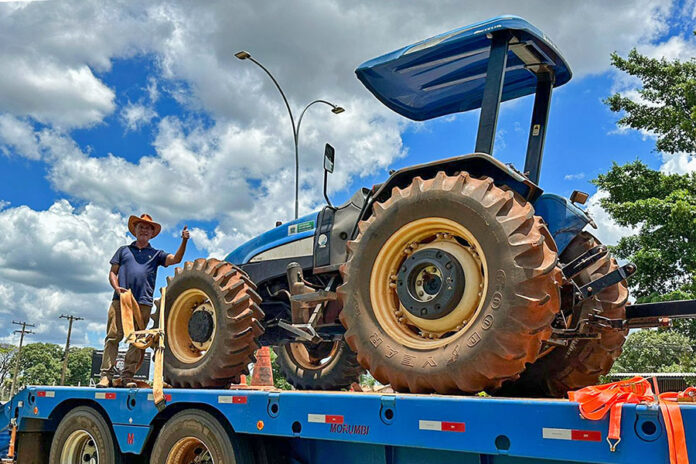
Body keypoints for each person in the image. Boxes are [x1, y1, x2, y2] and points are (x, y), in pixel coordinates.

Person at [97, 214, 189, 388]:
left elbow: (175, 260)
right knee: (113, 336)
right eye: (141, 227)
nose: (144, 230)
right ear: (135, 230)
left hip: (143, 303)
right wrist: (117, 288)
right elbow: (112, 272)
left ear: (152, 233)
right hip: (121, 299)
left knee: (137, 339)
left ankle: (127, 377)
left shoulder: (156, 254)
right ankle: (106, 376)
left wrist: (184, 242)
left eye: (148, 228)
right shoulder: (123, 250)